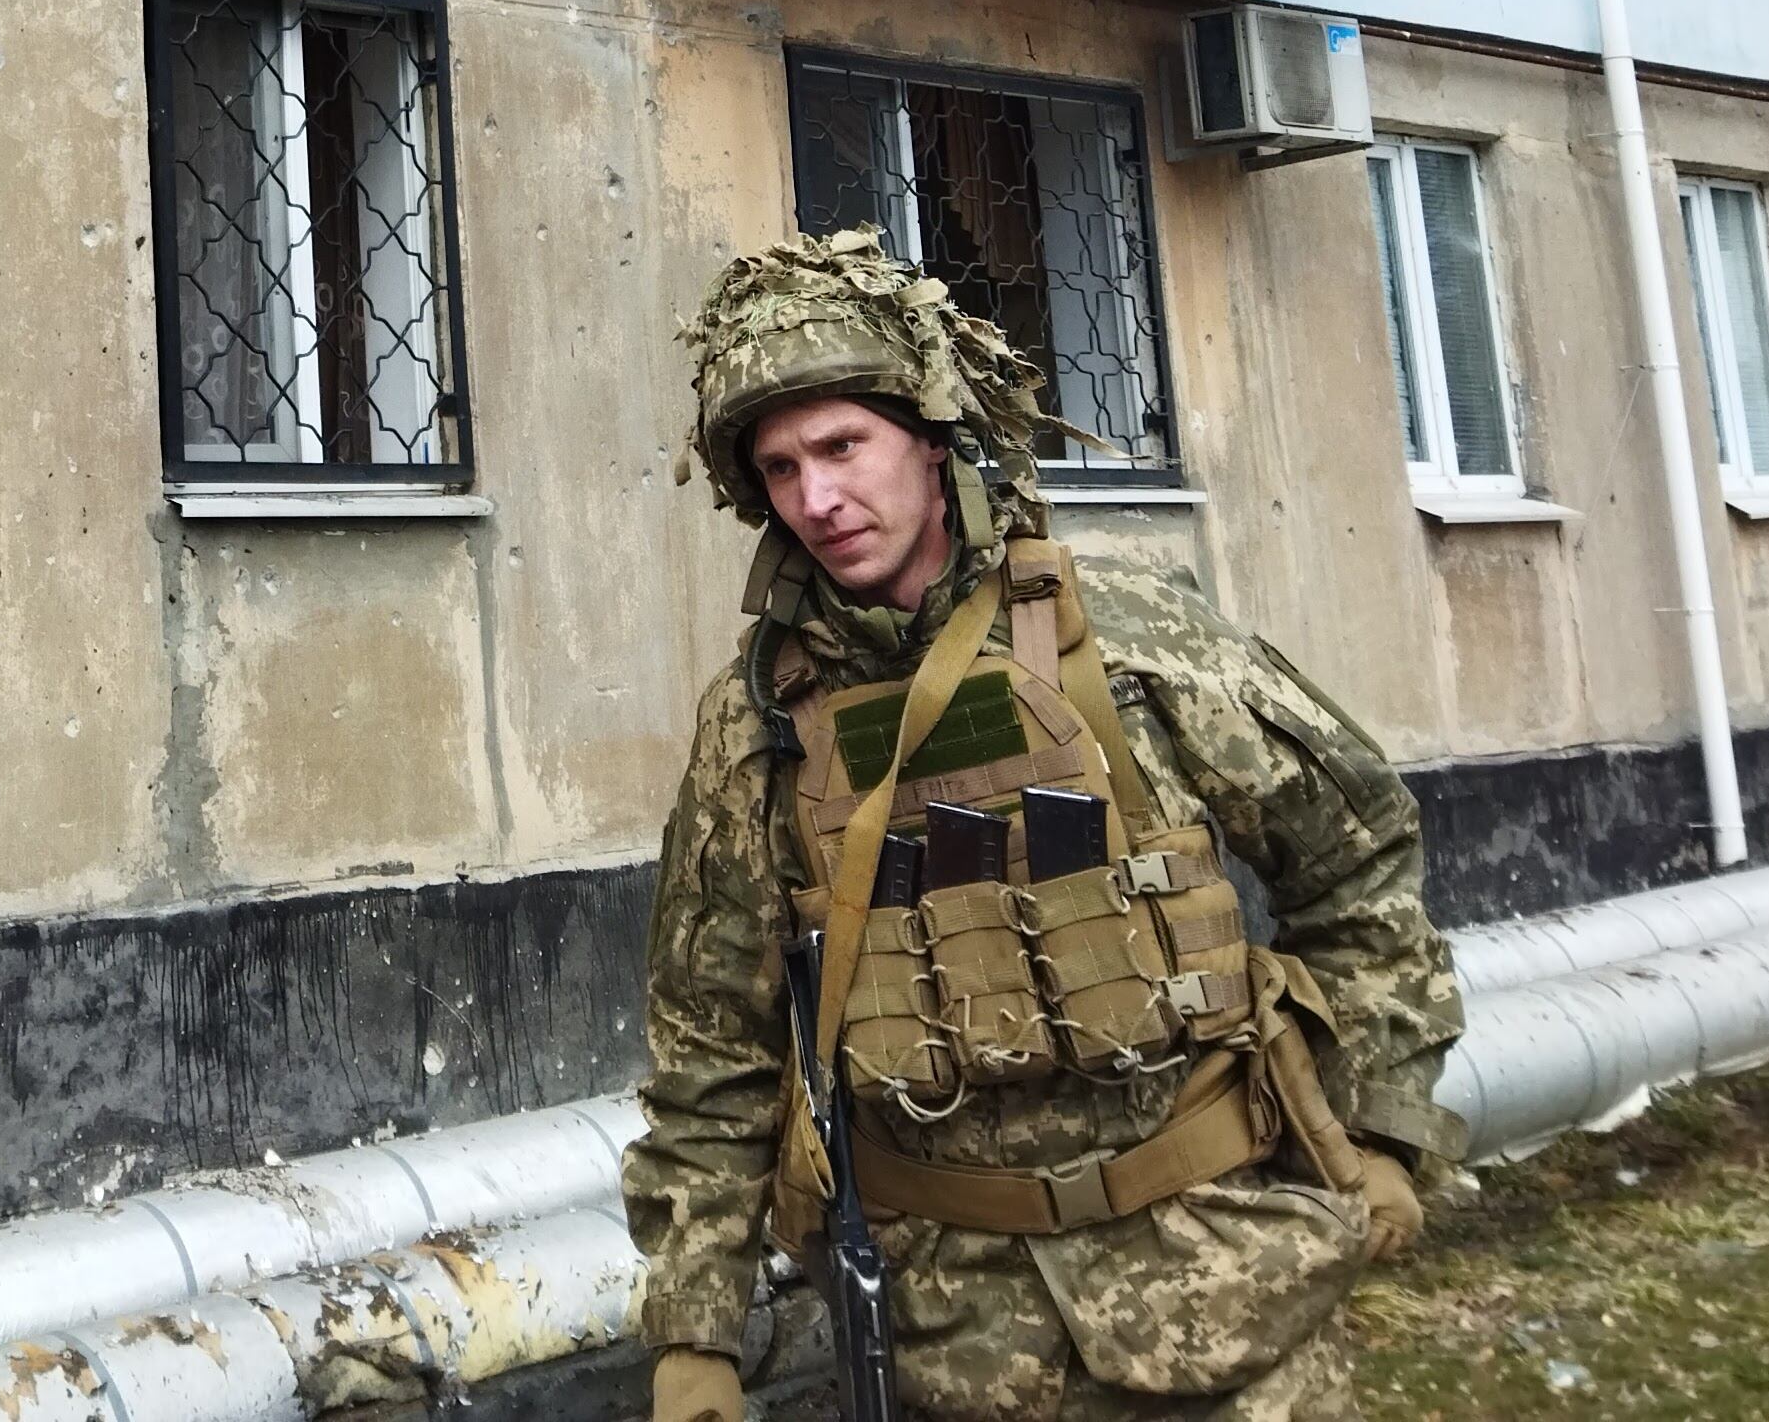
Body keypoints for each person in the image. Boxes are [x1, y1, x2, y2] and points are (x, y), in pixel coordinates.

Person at [626, 232, 1464, 1422]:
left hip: (1226, 1290)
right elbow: (714, 1040)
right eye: (779, 469)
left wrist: (1382, 1123)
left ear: (928, 436)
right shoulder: (760, 723)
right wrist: (691, 1329)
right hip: (953, 1339)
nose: (816, 498)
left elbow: (1358, 851)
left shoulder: (1126, 641)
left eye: (841, 446)